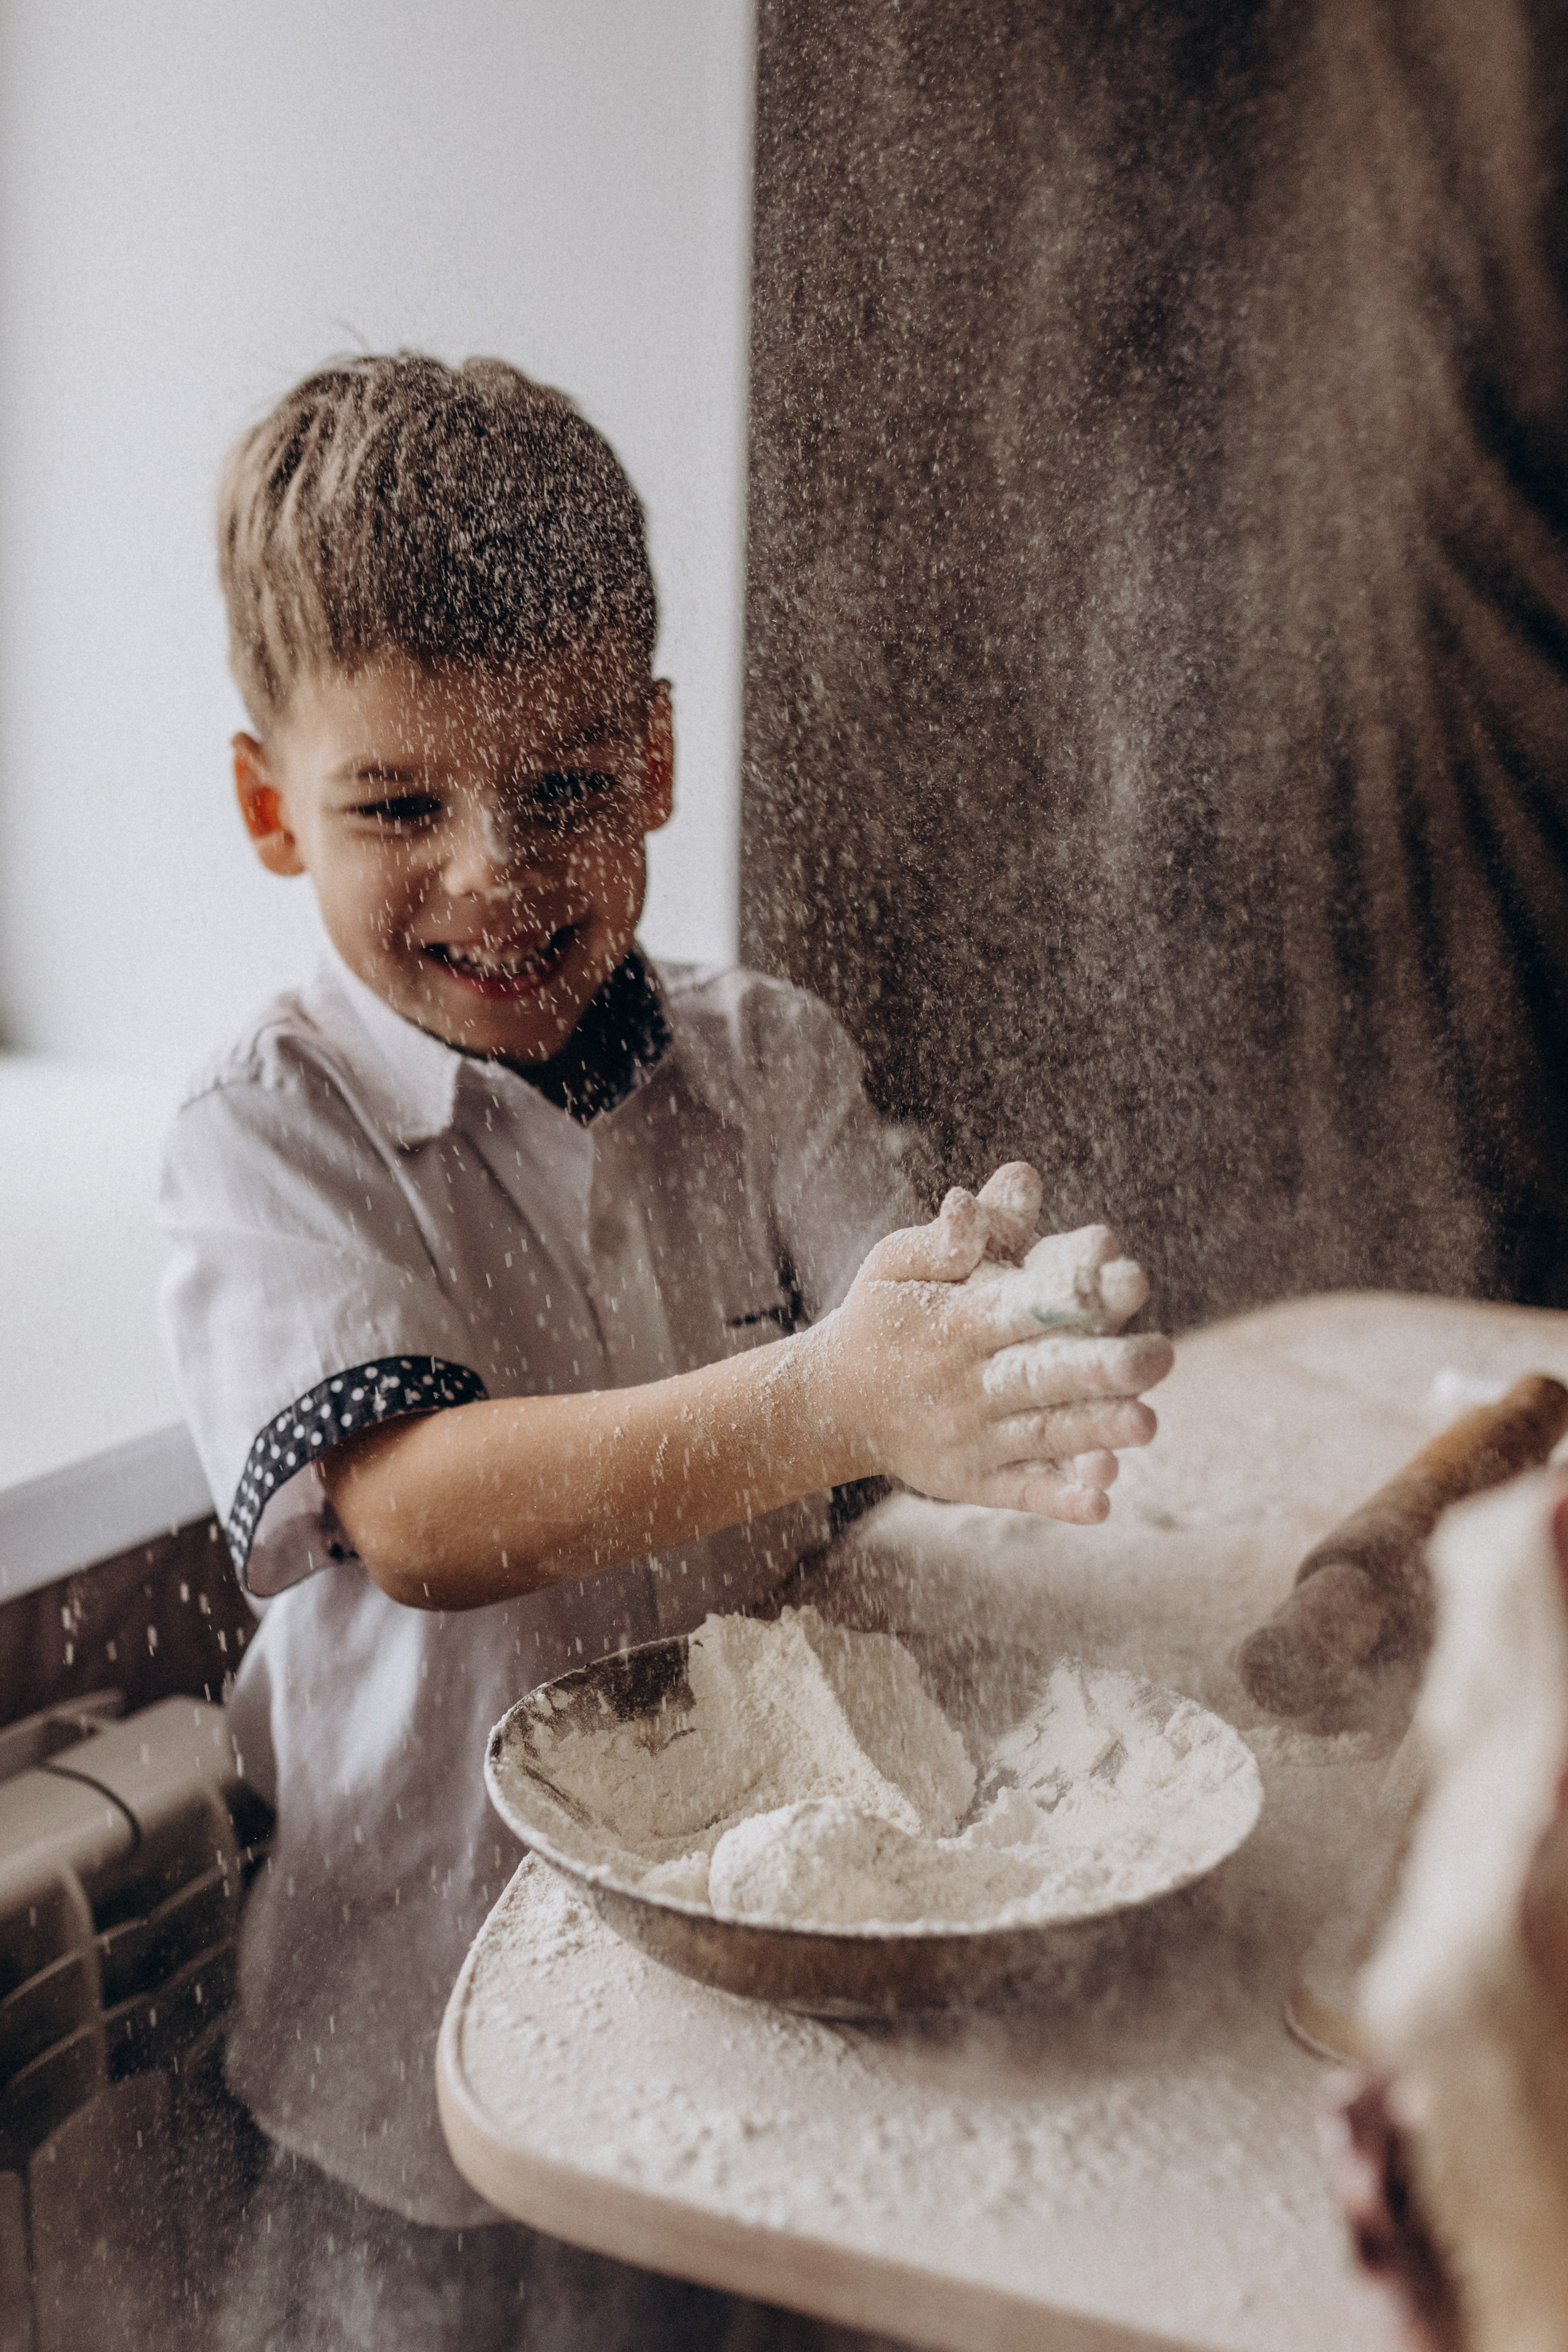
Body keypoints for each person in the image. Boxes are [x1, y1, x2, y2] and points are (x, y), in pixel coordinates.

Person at [158, 351, 1173, 2350]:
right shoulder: (267, 1130)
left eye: (565, 788)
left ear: (663, 757)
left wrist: (1000, 1331)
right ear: (275, 806)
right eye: (397, 805)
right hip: (409, 2052)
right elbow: (426, 1520)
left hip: (751, 1991)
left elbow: (901, 1320)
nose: (494, 867)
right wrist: (827, 1398)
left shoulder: (767, 1059)